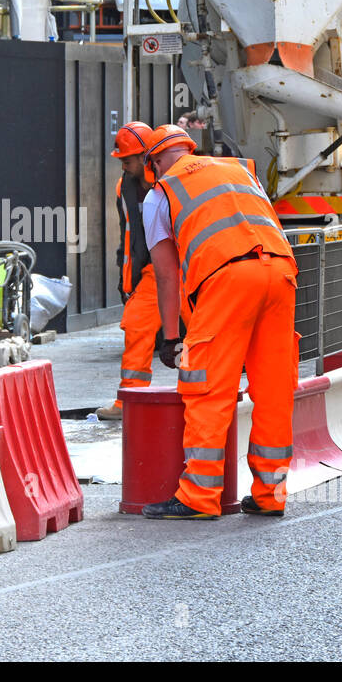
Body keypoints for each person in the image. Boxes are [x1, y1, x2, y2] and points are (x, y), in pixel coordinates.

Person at [138, 124, 298, 519]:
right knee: (274, 389)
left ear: (155, 162)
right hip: (280, 272)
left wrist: (172, 338)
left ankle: (199, 496)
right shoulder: (239, 170)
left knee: (206, 384)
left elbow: (165, 273)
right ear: (190, 150)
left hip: (227, 279)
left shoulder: (161, 194)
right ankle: (269, 495)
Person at [97, 122, 158, 421]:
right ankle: (131, 400)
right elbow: (129, 236)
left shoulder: (172, 179)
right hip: (154, 273)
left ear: (147, 156)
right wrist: (127, 282)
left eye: (128, 159)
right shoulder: (125, 187)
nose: (123, 164)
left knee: (205, 332)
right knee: (136, 327)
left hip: (190, 270)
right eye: (121, 159)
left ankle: (208, 394)